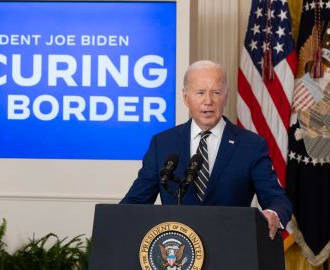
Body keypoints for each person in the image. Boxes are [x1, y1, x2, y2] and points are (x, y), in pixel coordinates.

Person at [120, 60, 292, 239]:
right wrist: (112, 221)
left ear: (226, 96)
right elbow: (136, 201)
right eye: (200, 93)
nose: (208, 101)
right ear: (186, 98)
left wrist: (273, 213)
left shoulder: (251, 145)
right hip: (178, 253)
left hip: (232, 249)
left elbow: (277, 199)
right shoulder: (162, 143)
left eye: (216, 92)